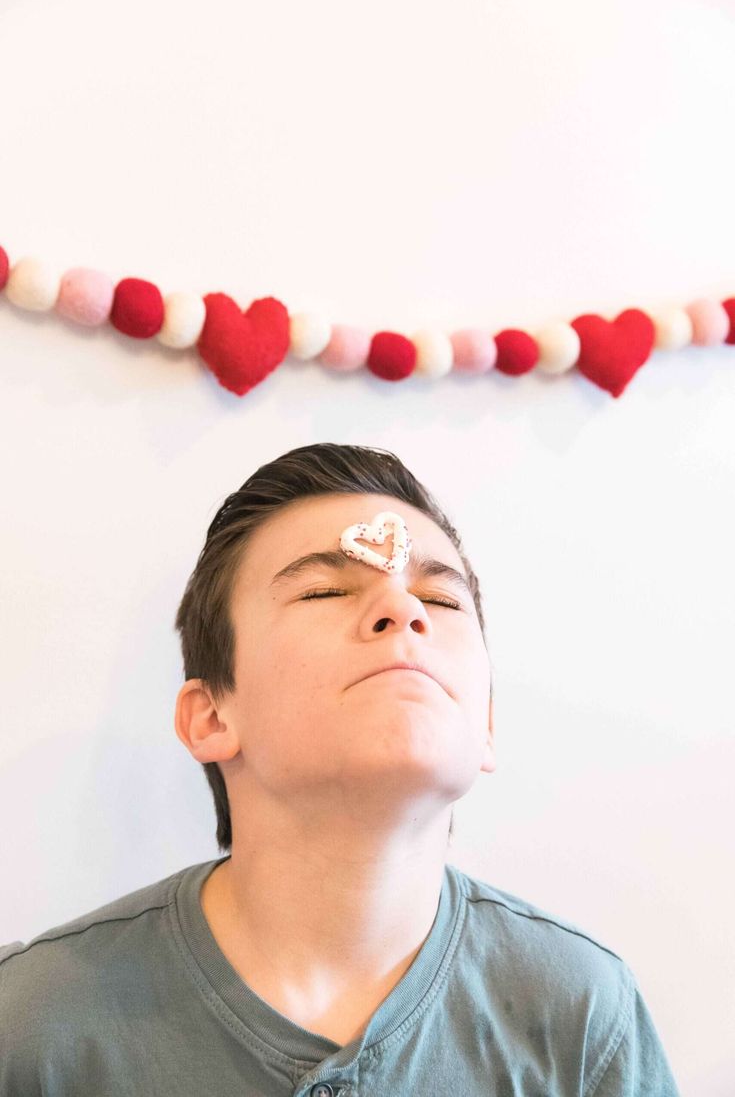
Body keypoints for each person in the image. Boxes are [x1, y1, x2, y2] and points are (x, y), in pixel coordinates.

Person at [0, 442, 681, 1096]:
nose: (403, 609)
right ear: (209, 717)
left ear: (487, 726)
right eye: (324, 591)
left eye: (440, 602)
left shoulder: (582, 1012)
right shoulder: (35, 1026)